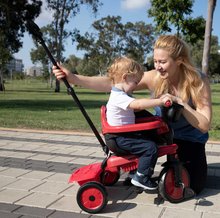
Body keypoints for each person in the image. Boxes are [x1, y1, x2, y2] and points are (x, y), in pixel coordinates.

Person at [52, 35, 212, 194]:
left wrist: (181, 103)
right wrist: (73, 78)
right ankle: (138, 164)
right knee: (134, 110)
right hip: (161, 131)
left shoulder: (198, 81)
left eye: (163, 62)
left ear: (179, 60)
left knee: (194, 186)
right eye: (155, 61)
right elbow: (114, 83)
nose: (158, 66)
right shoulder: (155, 77)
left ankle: (145, 163)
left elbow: (204, 125)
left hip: (189, 138)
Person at [105, 57, 172, 190]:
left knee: (144, 140)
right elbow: (139, 104)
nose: (136, 85)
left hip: (119, 136)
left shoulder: (119, 95)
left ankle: (133, 173)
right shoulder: (120, 97)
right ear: (125, 77)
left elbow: (136, 108)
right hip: (120, 139)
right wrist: (160, 101)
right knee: (150, 148)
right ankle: (141, 177)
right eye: (135, 82)